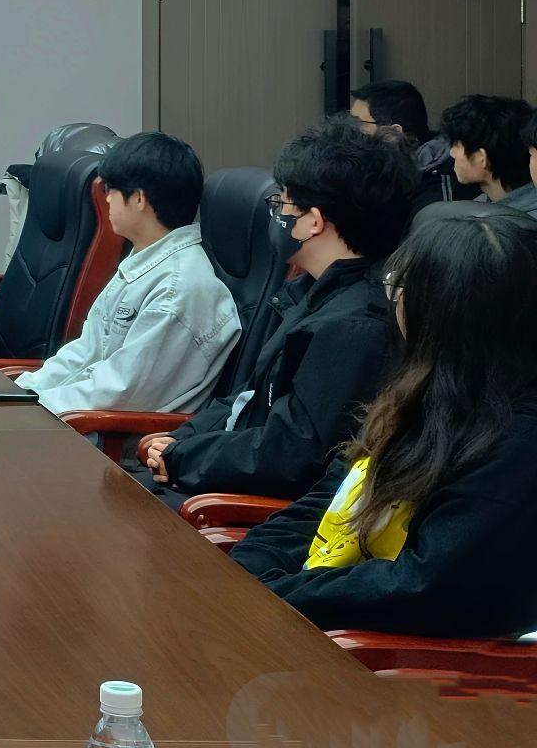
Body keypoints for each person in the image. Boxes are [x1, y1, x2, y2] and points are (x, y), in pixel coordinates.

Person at [231, 206, 537, 638]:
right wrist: (246, 570)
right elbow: (326, 502)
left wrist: (274, 597)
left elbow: (420, 587)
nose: (393, 300)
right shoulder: (422, 391)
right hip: (322, 621)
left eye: (401, 286)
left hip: (385, 658)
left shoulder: (519, 445)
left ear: (443, 311)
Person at [138, 116, 412, 504]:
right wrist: (182, 441)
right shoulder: (308, 293)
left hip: (250, 507)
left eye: (281, 203)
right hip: (221, 476)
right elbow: (245, 401)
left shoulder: (353, 328)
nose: (276, 215)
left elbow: (292, 454)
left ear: (313, 222)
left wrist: (186, 457)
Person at [14, 133, 239, 416]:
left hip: (109, 434)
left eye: (111, 190)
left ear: (139, 199)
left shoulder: (179, 289)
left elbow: (119, 391)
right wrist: (21, 393)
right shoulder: (144, 260)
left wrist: (32, 409)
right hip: (79, 416)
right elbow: (86, 352)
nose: (106, 199)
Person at [349, 79, 460, 207]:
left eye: (359, 123)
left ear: (393, 134)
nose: (350, 130)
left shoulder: (436, 187)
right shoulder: (377, 170)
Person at [439, 93, 537, 211]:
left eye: (457, 145)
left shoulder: (519, 220)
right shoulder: (488, 205)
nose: (452, 153)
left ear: (482, 158)